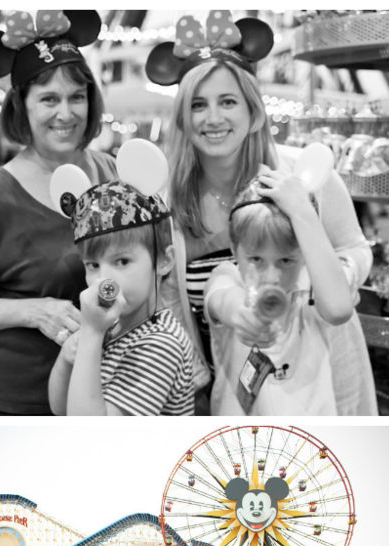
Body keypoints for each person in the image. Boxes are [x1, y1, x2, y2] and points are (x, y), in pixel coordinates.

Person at [148, 12, 377, 415]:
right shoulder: (167, 200)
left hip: (322, 386)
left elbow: (355, 250)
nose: (213, 118)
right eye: (199, 105)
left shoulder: (306, 176)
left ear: (254, 112)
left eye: (228, 102)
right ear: (183, 117)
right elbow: (170, 305)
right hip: (229, 389)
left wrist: (311, 241)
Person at [0, 11, 113, 415]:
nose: (66, 114)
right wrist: (34, 311)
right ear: (22, 107)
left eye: (76, 97)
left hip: (97, 396)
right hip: (16, 401)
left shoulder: (109, 172)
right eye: (49, 99)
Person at [47, 140, 195, 415]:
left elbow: (95, 441)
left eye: (122, 261)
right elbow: (59, 409)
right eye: (93, 265)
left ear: (164, 261)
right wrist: (68, 358)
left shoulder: (160, 345)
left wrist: (91, 335)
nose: (104, 281)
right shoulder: (114, 327)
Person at [203, 178, 357, 415]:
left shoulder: (315, 284)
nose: (272, 277)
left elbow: (338, 310)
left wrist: (304, 213)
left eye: (285, 260)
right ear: (234, 249)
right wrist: (241, 316)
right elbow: (222, 300)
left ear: (305, 253)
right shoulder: (228, 276)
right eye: (256, 259)